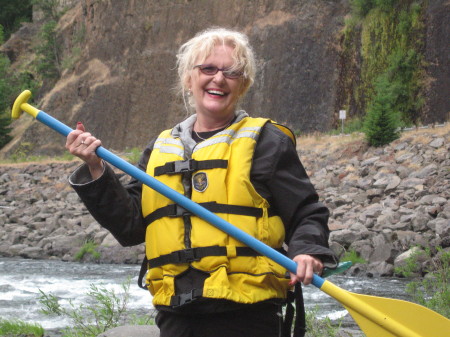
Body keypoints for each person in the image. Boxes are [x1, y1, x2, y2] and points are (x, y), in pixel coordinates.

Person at [66, 27, 338, 337]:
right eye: (208, 68)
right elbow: (129, 227)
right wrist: (95, 166)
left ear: (244, 83)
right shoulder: (159, 148)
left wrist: (306, 252)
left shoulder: (267, 142)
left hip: (249, 314)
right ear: (188, 78)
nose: (219, 79)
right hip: (178, 313)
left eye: (232, 72)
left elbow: (306, 212)